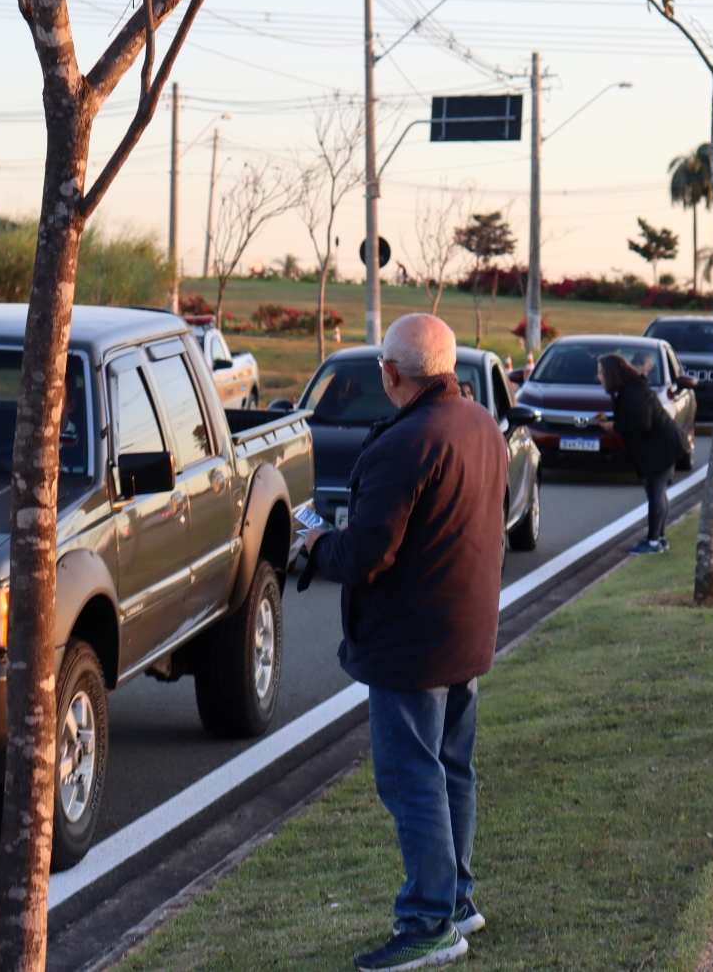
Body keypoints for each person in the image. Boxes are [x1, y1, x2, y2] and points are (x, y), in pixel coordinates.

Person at [303, 313, 508, 972]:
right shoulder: (481, 424)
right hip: (464, 630)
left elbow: (365, 555)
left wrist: (314, 542)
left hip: (409, 642)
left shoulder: (403, 443)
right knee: (451, 767)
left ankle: (428, 920)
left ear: (392, 373)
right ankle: (458, 897)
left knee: (411, 775)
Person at [595, 353, 683, 555]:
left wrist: (613, 426)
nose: (599, 378)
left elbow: (642, 424)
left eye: (601, 373)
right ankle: (658, 538)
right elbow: (634, 416)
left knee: (655, 491)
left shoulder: (634, 393)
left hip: (662, 448)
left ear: (612, 374)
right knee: (656, 491)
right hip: (661, 446)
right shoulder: (630, 390)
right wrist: (609, 418)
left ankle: (653, 542)